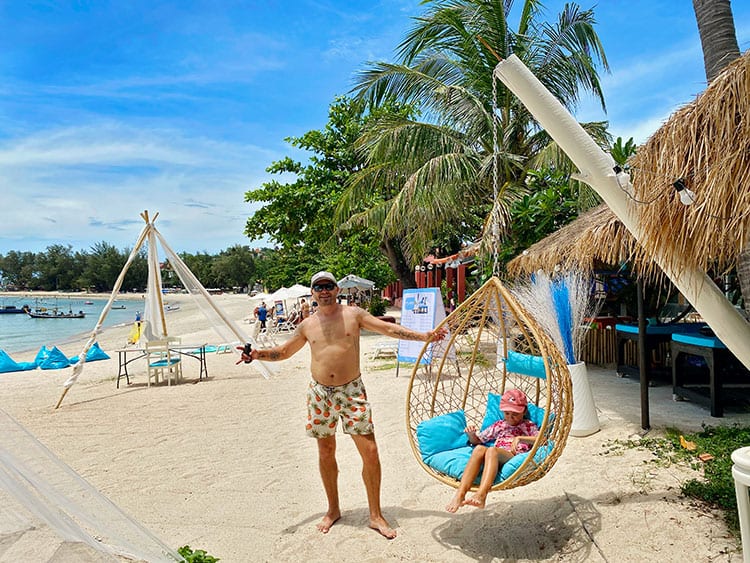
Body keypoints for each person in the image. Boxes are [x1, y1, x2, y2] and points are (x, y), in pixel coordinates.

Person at [238, 271, 447, 539]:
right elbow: (285, 351)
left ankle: (375, 515)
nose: (323, 291)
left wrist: (424, 336)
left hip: (352, 391)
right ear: (313, 293)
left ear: (337, 289)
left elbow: (388, 328)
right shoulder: (307, 325)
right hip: (319, 393)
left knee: (370, 452)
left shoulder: (354, 315)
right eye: (318, 287)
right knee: (326, 453)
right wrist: (257, 355)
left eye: (328, 286)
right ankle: (333, 509)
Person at [446, 389, 538, 513]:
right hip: (493, 456)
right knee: (479, 449)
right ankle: (460, 494)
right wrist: (471, 435)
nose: (510, 418)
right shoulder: (500, 425)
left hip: (511, 455)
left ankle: (482, 494)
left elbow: (541, 440)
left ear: (524, 411)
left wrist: (521, 438)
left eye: (515, 414)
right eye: (507, 413)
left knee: (492, 451)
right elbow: (478, 440)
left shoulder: (528, 425)